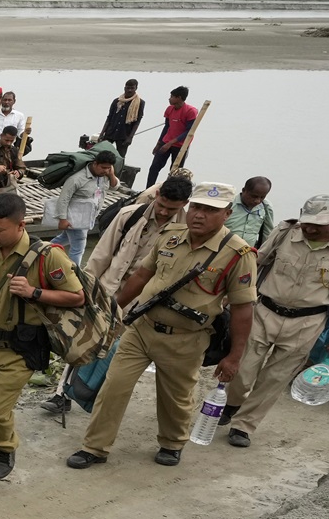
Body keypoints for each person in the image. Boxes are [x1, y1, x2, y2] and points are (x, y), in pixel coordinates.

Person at [67, 182, 256, 470]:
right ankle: (95, 447)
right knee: (113, 388)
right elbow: (142, 275)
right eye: (197, 207)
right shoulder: (170, 235)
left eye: (210, 210)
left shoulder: (237, 254)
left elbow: (243, 309)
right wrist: (113, 312)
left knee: (176, 397)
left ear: (227, 214)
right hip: (141, 328)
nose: (199, 215)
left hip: (186, 339)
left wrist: (234, 357)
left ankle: (172, 442)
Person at [0, 192, 86, 480]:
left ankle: (5, 446)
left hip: (20, 348)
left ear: (21, 225)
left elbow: (76, 296)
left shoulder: (48, 256)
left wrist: (35, 292)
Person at [38, 175, 193, 418]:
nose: (163, 212)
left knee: (119, 353)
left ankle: (98, 397)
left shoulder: (186, 230)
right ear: (157, 195)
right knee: (83, 340)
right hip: (108, 290)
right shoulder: (129, 215)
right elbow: (101, 254)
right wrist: (84, 288)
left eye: (171, 209)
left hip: (143, 301)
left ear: (184, 204)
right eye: (161, 204)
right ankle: (62, 394)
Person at [221, 195, 329, 447]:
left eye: (316, 225)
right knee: (243, 367)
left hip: (307, 321)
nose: (308, 229)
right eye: (306, 222)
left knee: (275, 377)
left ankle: (244, 425)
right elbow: (255, 262)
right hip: (265, 311)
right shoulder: (286, 232)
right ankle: (232, 405)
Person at [52, 150, 119, 268]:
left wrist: (111, 174)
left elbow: (115, 187)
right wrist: (62, 219)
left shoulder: (105, 176)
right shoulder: (77, 179)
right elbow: (63, 199)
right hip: (74, 217)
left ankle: (40, 249)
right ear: (95, 163)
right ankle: (75, 272)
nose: (105, 170)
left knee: (64, 238)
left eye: (109, 168)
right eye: (103, 167)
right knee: (78, 247)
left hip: (89, 216)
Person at [145, 87, 198, 187]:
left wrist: (171, 143)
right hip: (166, 142)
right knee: (154, 167)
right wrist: (159, 143)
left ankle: (168, 192)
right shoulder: (170, 109)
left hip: (181, 146)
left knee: (175, 172)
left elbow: (188, 131)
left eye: (172, 97)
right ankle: (148, 189)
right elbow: (166, 127)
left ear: (179, 98)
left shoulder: (190, 111)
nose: (169, 99)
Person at [100, 79, 144, 159]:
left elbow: (137, 121)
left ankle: (118, 171)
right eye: (127, 88)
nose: (129, 90)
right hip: (110, 132)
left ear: (136, 88)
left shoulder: (140, 103)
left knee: (120, 157)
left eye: (132, 88)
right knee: (102, 153)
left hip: (124, 134)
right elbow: (109, 118)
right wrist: (102, 133)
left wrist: (130, 137)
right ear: (124, 88)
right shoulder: (117, 101)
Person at [226, 177, 275, 247]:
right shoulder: (228, 204)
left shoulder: (266, 207)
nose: (257, 201)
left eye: (262, 197)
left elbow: (267, 233)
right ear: (244, 190)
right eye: (254, 196)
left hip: (248, 252)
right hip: (224, 250)